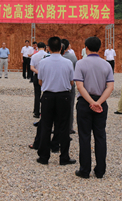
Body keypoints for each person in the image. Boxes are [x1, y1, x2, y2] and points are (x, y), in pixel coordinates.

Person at [74, 36, 114, 179]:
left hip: (85, 102)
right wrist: (99, 102)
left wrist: (91, 102)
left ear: (86, 48)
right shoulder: (106, 65)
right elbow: (110, 87)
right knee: (100, 136)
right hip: (101, 103)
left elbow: (80, 86)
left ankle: (85, 170)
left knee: (84, 136)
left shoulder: (80, 63)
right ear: (100, 48)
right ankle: (100, 170)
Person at [36, 37, 75, 166]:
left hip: (48, 96)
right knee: (63, 127)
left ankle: (44, 157)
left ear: (48, 48)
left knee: (46, 126)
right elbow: (71, 82)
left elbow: (40, 81)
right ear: (61, 48)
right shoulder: (68, 62)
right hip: (64, 96)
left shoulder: (43, 62)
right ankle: (64, 157)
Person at [62, 39, 78, 134]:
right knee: (70, 107)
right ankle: (69, 127)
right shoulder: (73, 57)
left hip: (58, 85)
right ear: (68, 46)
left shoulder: (54, 57)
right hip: (70, 84)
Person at [30, 42, 48, 118]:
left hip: (37, 76)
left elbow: (32, 67)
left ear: (37, 47)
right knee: (46, 94)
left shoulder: (34, 56)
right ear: (44, 47)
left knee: (37, 94)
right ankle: (45, 111)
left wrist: (38, 72)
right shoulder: (47, 55)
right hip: (46, 76)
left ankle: (36, 111)